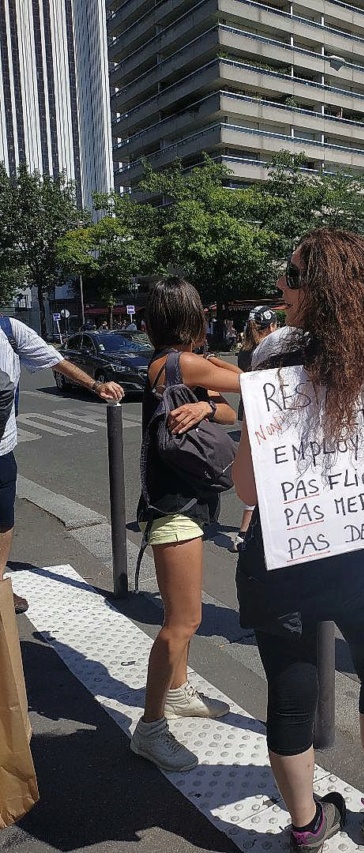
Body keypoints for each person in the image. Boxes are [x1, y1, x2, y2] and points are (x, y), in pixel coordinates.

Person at [233, 229, 364, 851]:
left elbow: (247, 488)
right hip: (356, 554)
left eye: (292, 275)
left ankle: (306, 827)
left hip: (282, 558)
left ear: (319, 292)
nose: (280, 284)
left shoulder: (271, 360)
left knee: (291, 697)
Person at [130, 277, 242, 773]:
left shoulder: (177, 368)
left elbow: (228, 409)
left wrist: (202, 404)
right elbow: (243, 380)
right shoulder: (177, 363)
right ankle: (150, 728)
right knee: (182, 623)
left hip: (186, 504)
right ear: (191, 318)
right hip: (172, 509)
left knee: (184, 619)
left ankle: (176, 693)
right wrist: (214, 378)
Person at [0, 317, 124, 613]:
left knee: (3, 519)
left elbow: (53, 359)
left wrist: (95, 385)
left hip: (1, 448)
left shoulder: (8, 329)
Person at [231, 305, 277, 552]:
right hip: (266, 416)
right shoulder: (269, 350)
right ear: (271, 327)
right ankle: (244, 532)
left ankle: (248, 530)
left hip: (247, 413)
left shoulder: (245, 350)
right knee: (264, 472)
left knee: (255, 469)